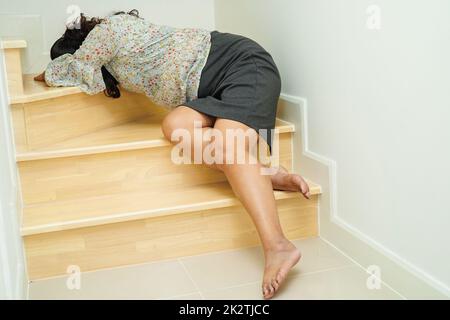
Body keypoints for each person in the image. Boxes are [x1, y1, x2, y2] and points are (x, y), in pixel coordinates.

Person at [35, 10, 311, 299]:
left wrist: (45, 72)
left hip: (241, 65)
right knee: (175, 125)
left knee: (227, 146)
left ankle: (278, 246)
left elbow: (77, 68)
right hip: (209, 89)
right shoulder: (118, 54)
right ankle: (262, 173)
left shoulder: (107, 32)